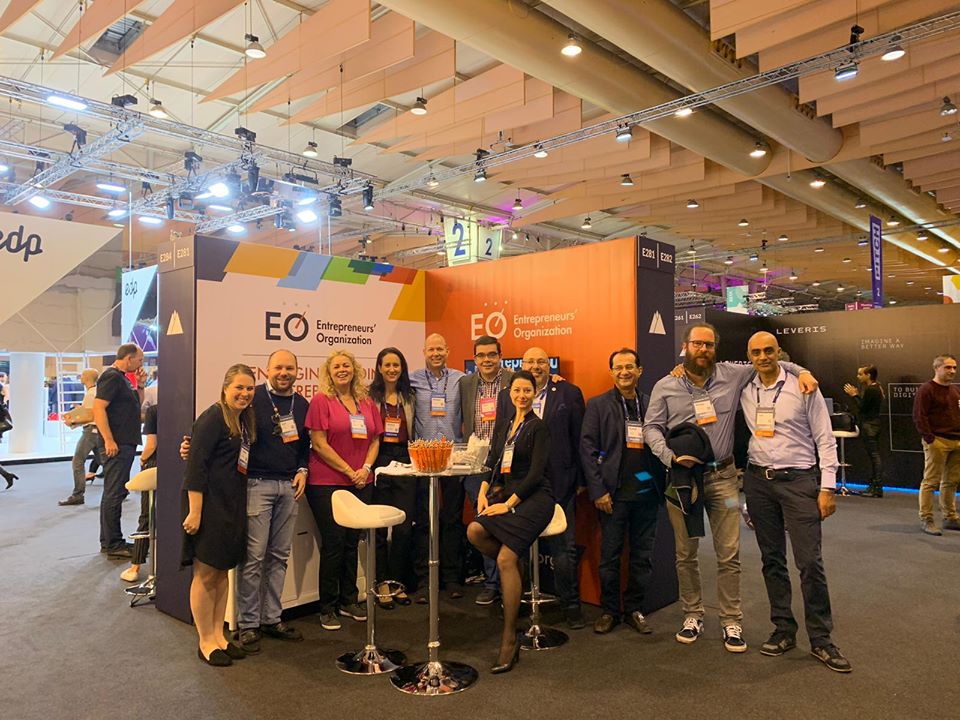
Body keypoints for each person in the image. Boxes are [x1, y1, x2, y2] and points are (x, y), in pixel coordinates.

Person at [644, 322, 818, 653]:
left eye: (709, 345)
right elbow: (651, 426)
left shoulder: (732, 375)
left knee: (729, 553)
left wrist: (803, 371)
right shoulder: (666, 385)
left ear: (715, 348)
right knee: (685, 553)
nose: (703, 349)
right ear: (685, 346)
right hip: (682, 481)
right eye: (697, 344)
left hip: (723, 479)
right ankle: (692, 614)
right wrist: (669, 457)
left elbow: (772, 362)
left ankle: (730, 620)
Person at [183, 350, 310, 651]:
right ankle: (248, 624)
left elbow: (305, 445)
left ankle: (272, 618)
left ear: (297, 371)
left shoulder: (301, 404)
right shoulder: (252, 402)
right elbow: (203, 449)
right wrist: (188, 446)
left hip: (287, 487)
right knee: (252, 558)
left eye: (289, 368)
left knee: (279, 557)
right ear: (267, 370)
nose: (284, 372)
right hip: (255, 486)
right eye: (278, 367)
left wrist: (303, 469)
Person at [740, 332, 850, 673]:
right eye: (756, 352)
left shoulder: (803, 387)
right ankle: (783, 629)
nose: (763, 357)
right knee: (771, 560)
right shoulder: (744, 386)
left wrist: (827, 487)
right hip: (758, 482)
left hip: (799, 481)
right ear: (749, 356)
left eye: (769, 351)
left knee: (809, 562)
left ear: (779, 352)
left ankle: (821, 639)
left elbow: (825, 438)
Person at [467, 371, 554, 674]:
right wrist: (482, 493)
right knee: (475, 530)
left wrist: (508, 504)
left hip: (535, 499)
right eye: (517, 390)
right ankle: (517, 571)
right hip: (507, 495)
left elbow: (536, 474)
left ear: (534, 393)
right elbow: (491, 462)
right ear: (510, 393)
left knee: (505, 558)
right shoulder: (504, 425)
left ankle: (509, 637)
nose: (521, 396)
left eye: (527, 390)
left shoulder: (538, 427)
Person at [581, 348, 661, 635]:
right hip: (612, 495)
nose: (624, 372)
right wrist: (598, 491)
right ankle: (609, 611)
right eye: (618, 367)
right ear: (611, 372)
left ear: (640, 370)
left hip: (647, 493)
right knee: (610, 557)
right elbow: (587, 449)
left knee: (642, 556)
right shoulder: (598, 405)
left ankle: (635, 609)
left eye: (629, 367)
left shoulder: (652, 403)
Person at [182, 364, 257, 667]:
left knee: (223, 571)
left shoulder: (244, 420)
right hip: (208, 505)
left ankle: (219, 635)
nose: (244, 393)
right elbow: (195, 468)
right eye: (239, 387)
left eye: (249, 388)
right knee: (205, 573)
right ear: (226, 388)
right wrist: (195, 512)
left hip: (232, 504)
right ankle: (204, 641)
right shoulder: (212, 418)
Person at [305, 350, 383, 631]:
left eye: (346, 365)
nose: (342, 370)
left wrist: (366, 468)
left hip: (361, 481)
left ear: (354, 369)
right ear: (329, 371)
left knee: (352, 542)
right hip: (327, 482)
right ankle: (327, 607)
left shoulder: (366, 401)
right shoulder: (321, 401)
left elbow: (375, 439)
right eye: (336, 366)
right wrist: (350, 471)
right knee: (334, 542)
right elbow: (319, 443)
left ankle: (349, 600)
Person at [512, 346, 585, 629]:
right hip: (521, 485)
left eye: (541, 361)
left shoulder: (568, 393)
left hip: (560, 483)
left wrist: (580, 480)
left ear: (549, 365)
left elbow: (580, 439)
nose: (535, 366)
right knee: (518, 547)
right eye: (530, 361)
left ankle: (571, 606)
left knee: (563, 549)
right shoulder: (514, 394)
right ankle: (518, 602)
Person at [410, 333, 465, 601]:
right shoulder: (412, 380)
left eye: (440, 349)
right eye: (431, 349)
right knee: (423, 520)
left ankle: (452, 578)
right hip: (423, 458)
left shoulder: (461, 379)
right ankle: (424, 581)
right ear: (424, 352)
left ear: (448, 350)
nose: (435, 353)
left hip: (453, 458)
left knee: (452, 519)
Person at [460, 335, 514, 606]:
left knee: (507, 524)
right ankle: (492, 583)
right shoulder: (466, 383)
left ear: (500, 356)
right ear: (475, 359)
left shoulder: (513, 380)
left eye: (492, 354)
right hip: (477, 465)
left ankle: (511, 583)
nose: (487, 360)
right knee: (482, 523)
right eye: (481, 355)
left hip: (507, 464)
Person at [369, 347, 417, 609]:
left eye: (396, 365)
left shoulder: (409, 396)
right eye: (386, 365)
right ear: (379, 367)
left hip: (405, 459)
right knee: (379, 526)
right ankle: (382, 584)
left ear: (402, 368)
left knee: (403, 526)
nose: (391, 369)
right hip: (378, 458)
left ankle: (397, 582)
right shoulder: (369, 396)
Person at [94, 344, 145, 558]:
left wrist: (140, 386)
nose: (141, 364)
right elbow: (98, 408)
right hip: (117, 443)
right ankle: (112, 543)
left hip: (124, 442)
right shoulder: (112, 377)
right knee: (114, 493)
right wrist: (108, 440)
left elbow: (135, 406)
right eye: (139, 360)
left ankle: (111, 541)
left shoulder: (123, 379)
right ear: (129, 358)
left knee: (116, 492)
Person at [912, 354, 960, 536]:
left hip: (956, 441)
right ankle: (926, 519)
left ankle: (950, 517)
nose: (952, 371)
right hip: (937, 441)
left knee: (951, 482)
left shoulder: (955, 391)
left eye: (954, 367)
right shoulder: (927, 389)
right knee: (931, 482)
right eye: (948, 367)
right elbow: (919, 416)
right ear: (936, 368)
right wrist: (930, 439)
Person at [122, 402, 158, 583]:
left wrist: (143, 459)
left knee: (147, 515)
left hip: (155, 465)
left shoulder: (154, 410)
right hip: (179, 464)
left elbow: (152, 444)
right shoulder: (185, 407)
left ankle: (135, 565)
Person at [59, 368, 100, 506]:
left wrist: (72, 422)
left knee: (77, 461)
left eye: (82, 375)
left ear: (87, 378)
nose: (80, 376)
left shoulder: (90, 394)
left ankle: (78, 495)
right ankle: (121, 489)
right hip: (97, 431)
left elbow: (89, 416)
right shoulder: (95, 392)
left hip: (91, 432)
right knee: (106, 462)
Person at [843, 365, 885, 498]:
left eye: (860, 374)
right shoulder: (876, 388)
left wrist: (854, 395)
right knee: (874, 456)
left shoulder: (871, 389)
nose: (858, 377)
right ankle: (875, 485)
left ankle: (876, 487)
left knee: (874, 456)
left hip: (869, 426)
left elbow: (863, 408)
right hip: (873, 425)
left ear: (868, 375)